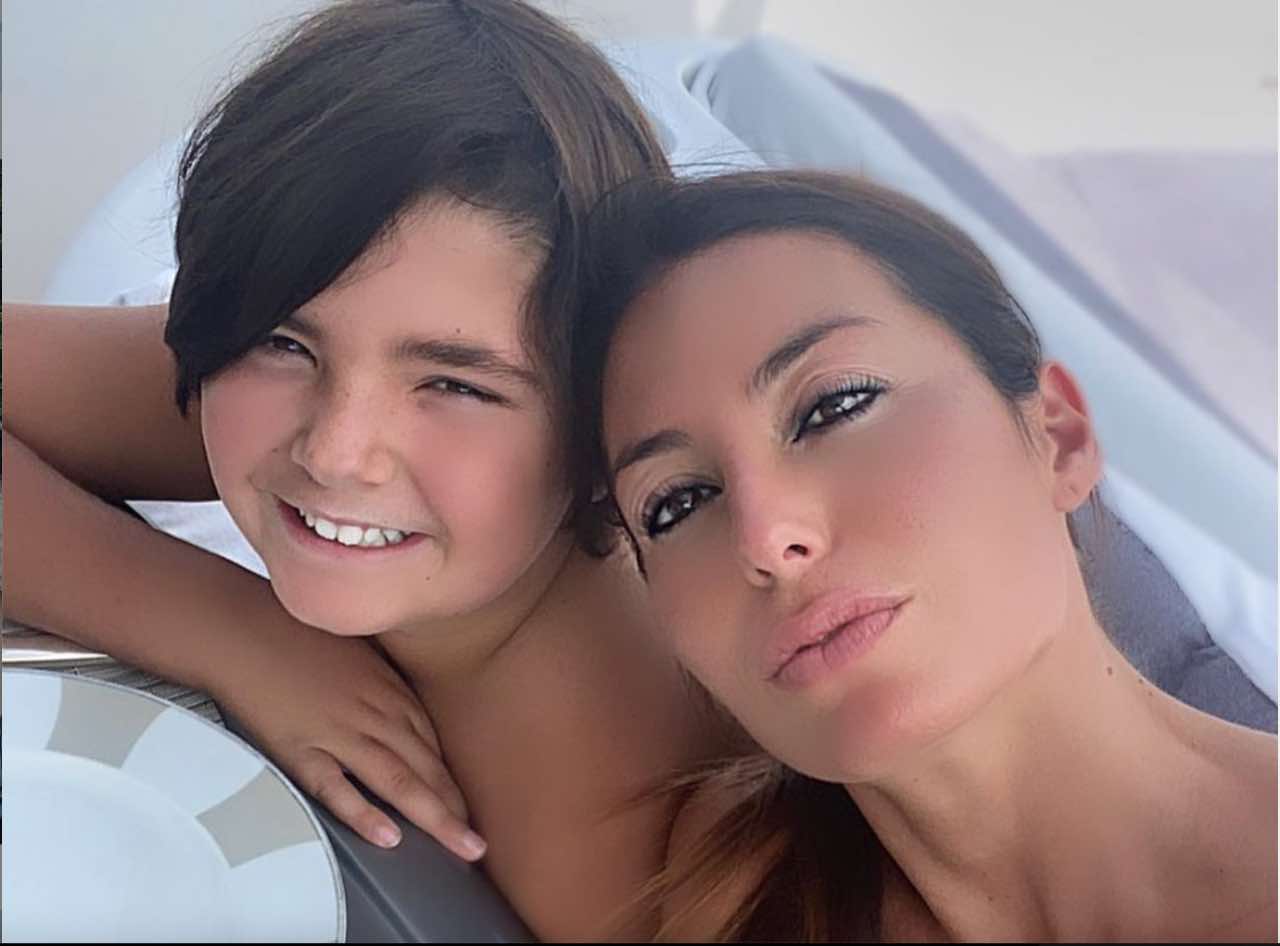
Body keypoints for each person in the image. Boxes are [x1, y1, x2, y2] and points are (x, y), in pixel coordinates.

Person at [4, 1, 732, 938]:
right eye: (285, 340)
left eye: (454, 385)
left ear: (604, 433)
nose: (335, 449)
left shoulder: (625, 841)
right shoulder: (259, 372)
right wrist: (226, 627)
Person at [573, 169, 1278, 941]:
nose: (766, 538)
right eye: (677, 502)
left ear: (1058, 435)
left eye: (835, 406)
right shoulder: (733, 886)